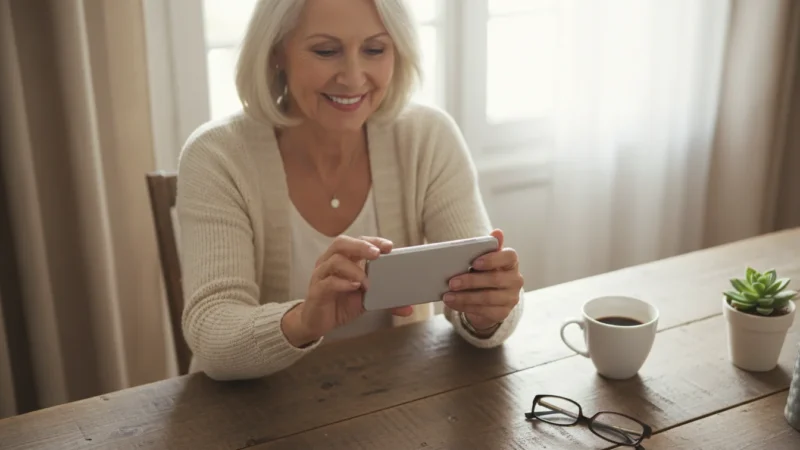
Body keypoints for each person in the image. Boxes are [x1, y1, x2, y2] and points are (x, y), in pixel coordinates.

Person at [176, 0, 525, 381]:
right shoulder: (216, 155)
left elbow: (479, 292)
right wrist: (304, 321)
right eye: (326, 51)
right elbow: (212, 335)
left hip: (394, 402)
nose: (354, 77)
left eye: (375, 49)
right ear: (277, 51)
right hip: (256, 410)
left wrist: (488, 313)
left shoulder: (428, 137)